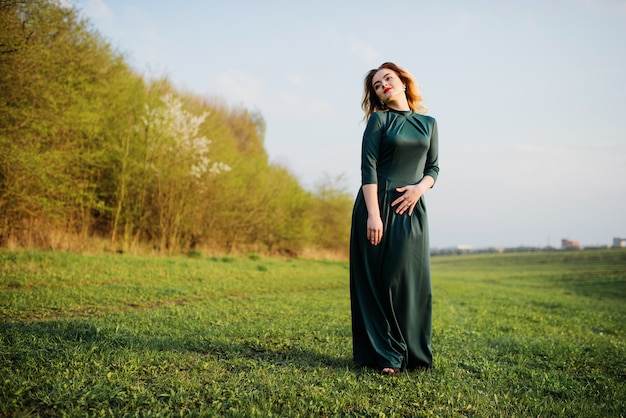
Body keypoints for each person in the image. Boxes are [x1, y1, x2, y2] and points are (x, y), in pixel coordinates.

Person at [349, 62, 439, 376]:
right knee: (378, 281)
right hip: (377, 206)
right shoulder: (379, 121)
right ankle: (387, 355)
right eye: (377, 85)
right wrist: (373, 215)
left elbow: (434, 169)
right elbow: (368, 168)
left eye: (388, 78)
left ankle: (414, 354)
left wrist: (418, 190)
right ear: (378, 96)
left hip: (412, 208)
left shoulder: (428, 123)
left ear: (402, 82)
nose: (384, 84)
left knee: (408, 280)